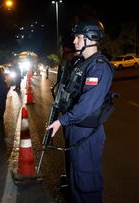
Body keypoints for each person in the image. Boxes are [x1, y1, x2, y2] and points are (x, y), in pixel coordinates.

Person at [46, 19, 114, 203]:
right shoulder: (80, 63)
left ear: (91, 38)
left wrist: (62, 121)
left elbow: (87, 105)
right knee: (74, 177)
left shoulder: (98, 66)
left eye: (78, 37)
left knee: (86, 180)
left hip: (86, 132)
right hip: (74, 128)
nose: (74, 41)